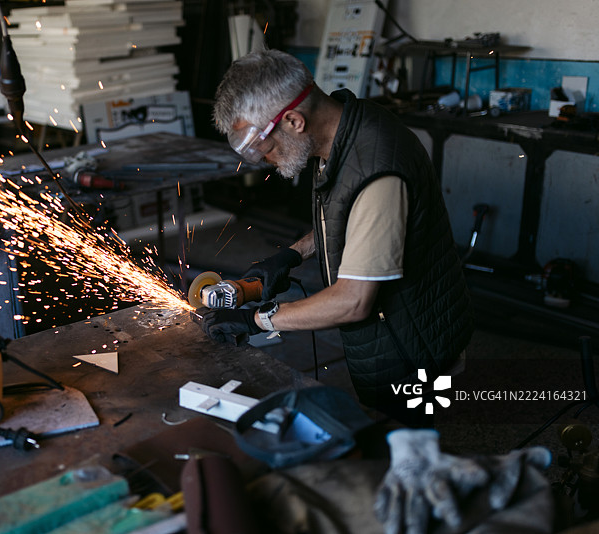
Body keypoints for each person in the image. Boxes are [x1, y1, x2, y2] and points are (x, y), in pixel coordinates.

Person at [200, 48, 473, 425]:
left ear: (294, 120)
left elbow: (352, 302)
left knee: (409, 447)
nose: (266, 160)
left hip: (412, 351)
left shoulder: (378, 169)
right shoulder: (343, 135)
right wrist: (292, 255)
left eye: (265, 148)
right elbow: (348, 217)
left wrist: (258, 321)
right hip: (388, 335)